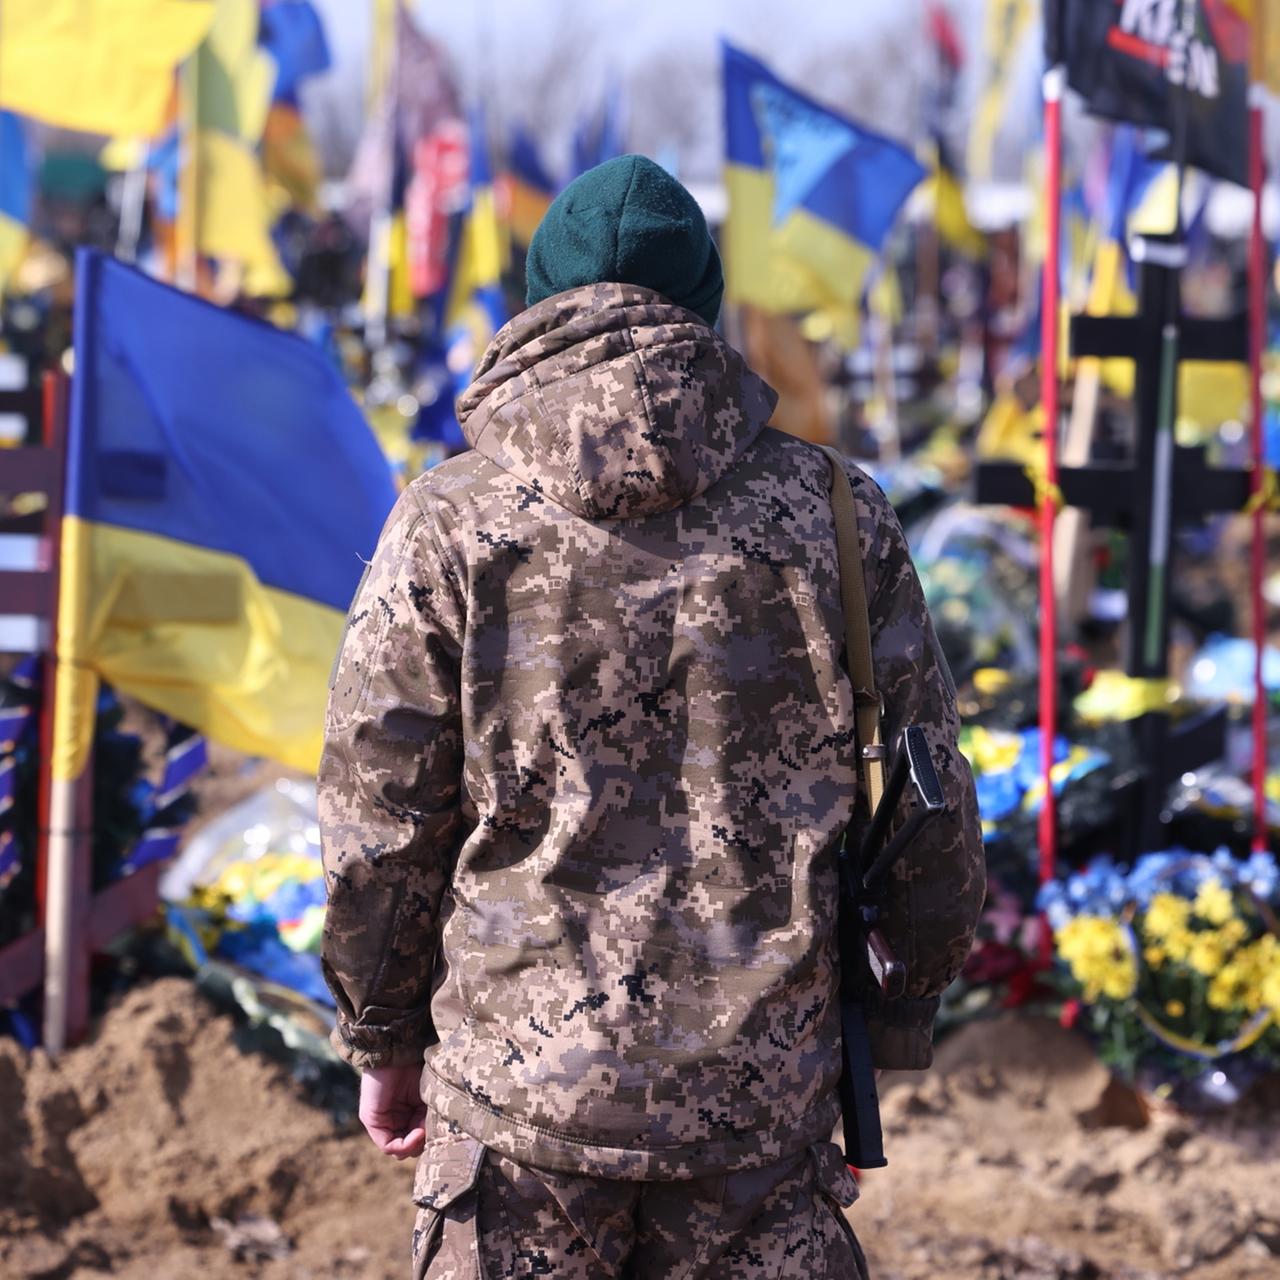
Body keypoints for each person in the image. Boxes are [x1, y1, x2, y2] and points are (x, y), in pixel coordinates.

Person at [321, 154, 984, 1279]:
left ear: (536, 303)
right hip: (759, 1112)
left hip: (518, 1108)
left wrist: (381, 1038)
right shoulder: (835, 512)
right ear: (706, 305)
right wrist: (900, 1008)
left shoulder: (448, 520)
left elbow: (381, 815)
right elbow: (924, 799)